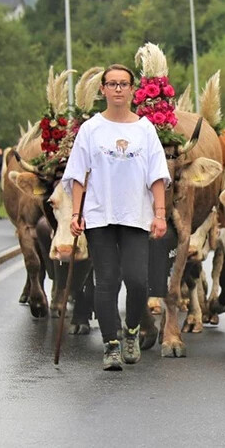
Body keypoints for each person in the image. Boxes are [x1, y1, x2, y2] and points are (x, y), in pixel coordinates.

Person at [64, 64, 170, 371]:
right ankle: (111, 345)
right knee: (106, 281)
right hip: (100, 216)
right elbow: (78, 175)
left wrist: (160, 214)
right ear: (103, 90)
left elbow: (157, 175)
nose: (118, 89)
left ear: (133, 90)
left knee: (137, 281)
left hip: (136, 215)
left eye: (124, 83)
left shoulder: (145, 129)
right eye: (112, 84)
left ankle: (131, 330)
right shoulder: (91, 129)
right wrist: (76, 213)